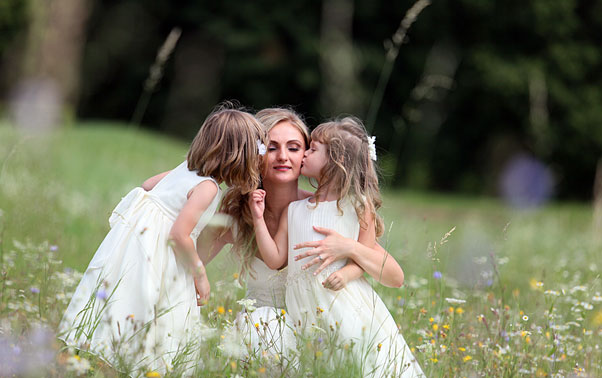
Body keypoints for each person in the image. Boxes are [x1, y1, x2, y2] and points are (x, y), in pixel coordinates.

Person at [58, 105, 265, 374]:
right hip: (162, 254)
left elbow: (147, 185)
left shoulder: (187, 170)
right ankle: (142, 364)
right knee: (161, 310)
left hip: (137, 244)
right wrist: (200, 274)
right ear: (240, 155)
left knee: (128, 302)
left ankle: (104, 356)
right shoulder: (208, 188)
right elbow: (179, 234)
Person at [198, 108, 406, 364]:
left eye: (295, 148)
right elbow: (190, 261)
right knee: (258, 327)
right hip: (264, 336)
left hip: (322, 332)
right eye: (272, 147)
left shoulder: (326, 213)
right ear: (257, 154)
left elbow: (394, 275)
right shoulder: (236, 215)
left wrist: (349, 247)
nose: (283, 156)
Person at [249, 117, 424, 377]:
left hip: (343, 303)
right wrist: (257, 218)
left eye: (312, 149)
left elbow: (362, 261)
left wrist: (346, 264)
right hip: (306, 310)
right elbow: (274, 259)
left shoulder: (357, 206)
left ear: (335, 159)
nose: (305, 154)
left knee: (358, 365)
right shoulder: (295, 210)